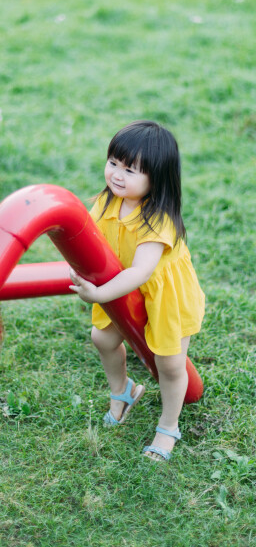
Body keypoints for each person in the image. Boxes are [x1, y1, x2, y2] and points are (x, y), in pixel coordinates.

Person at [69, 120, 205, 461]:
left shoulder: (159, 219)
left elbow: (143, 270)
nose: (117, 174)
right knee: (102, 339)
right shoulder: (106, 202)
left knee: (169, 364)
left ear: (155, 179)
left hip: (162, 294)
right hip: (123, 286)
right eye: (114, 162)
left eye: (130, 170)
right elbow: (88, 237)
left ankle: (168, 426)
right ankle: (124, 390)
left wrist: (100, 295)